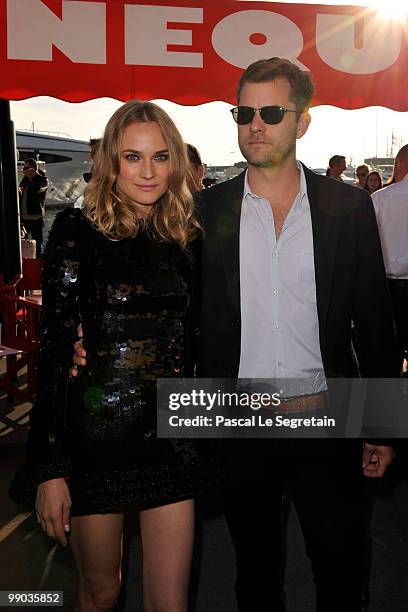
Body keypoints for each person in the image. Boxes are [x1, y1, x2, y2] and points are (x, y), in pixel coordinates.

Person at [195, 58, 397, 611]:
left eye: (270, 112)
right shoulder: (205, 211)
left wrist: (382, 429)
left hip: (328, 419)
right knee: (254, 577)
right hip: (240, 423)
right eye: (244, 112)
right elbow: (181, 317)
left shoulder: (347, 206)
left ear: (302, 122)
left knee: (340, 573)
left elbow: (376, 322)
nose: (254, 124)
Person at [10, 100, 217, 612]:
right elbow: (57, 351)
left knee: (171, 604)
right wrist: (50, 468)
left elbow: (200, 340)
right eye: (132, 157)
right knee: (101, 592)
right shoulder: (76, 233)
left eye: (160, 157)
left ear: (176, 163)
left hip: (171, 436)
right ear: (111, 163)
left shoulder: (188, 237)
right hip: (95, 438)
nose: (148, 172)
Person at [372, 144, 408, 373]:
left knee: (390, 346)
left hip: (388, 286)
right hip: (391, 283)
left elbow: (366, 242)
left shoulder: (381, 198)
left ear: (399, 163)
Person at [19, 157, 48, 257]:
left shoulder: (43, 180)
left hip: (36, 218)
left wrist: (30, 178)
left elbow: (38, 189)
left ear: (34, 168)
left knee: (38, 243)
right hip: (24, 217)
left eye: (27, 168)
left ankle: (39, 264)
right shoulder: (25, 180)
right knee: (22, 242)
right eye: (24, 168)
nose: (24, 170)